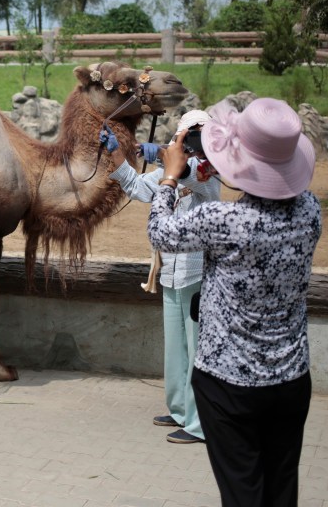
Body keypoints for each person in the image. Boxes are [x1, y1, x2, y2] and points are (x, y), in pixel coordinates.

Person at [146, 98, 321, 507]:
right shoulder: (311, 212)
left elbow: (161, 232)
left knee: (243, 492)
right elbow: (272, 193)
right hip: (291, 376)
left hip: (228, 384)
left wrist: (171, 178)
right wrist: (222, 170)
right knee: (280, 489)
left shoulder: (223, 222)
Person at [106, 110, 219, 445]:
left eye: (190, 137)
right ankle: (182, 409)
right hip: (170, 271)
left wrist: (161, 153)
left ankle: (201, 425)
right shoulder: (178, 166)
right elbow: (139, 188)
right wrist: (117, 152)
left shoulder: (209, 170)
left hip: (197, 272)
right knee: (177, 349)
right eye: (184, 136)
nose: (186, 143)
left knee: (199, 350)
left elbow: (185, 173)